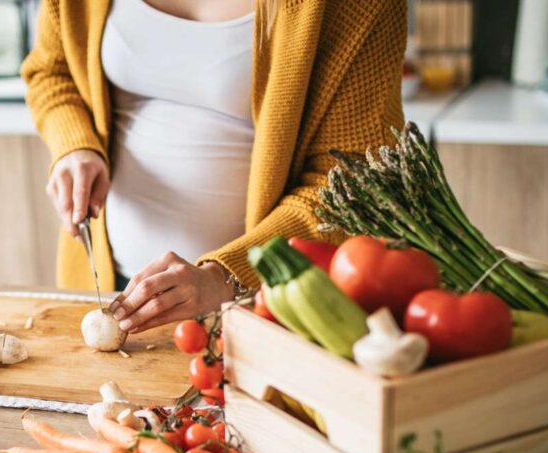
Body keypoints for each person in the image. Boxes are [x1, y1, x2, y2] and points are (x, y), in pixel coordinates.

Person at [22, 0, 405, 333]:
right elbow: (51, 72)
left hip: (265, 305)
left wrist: (227, 276)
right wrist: (75, 146)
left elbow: (353, 183)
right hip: (108, 286)